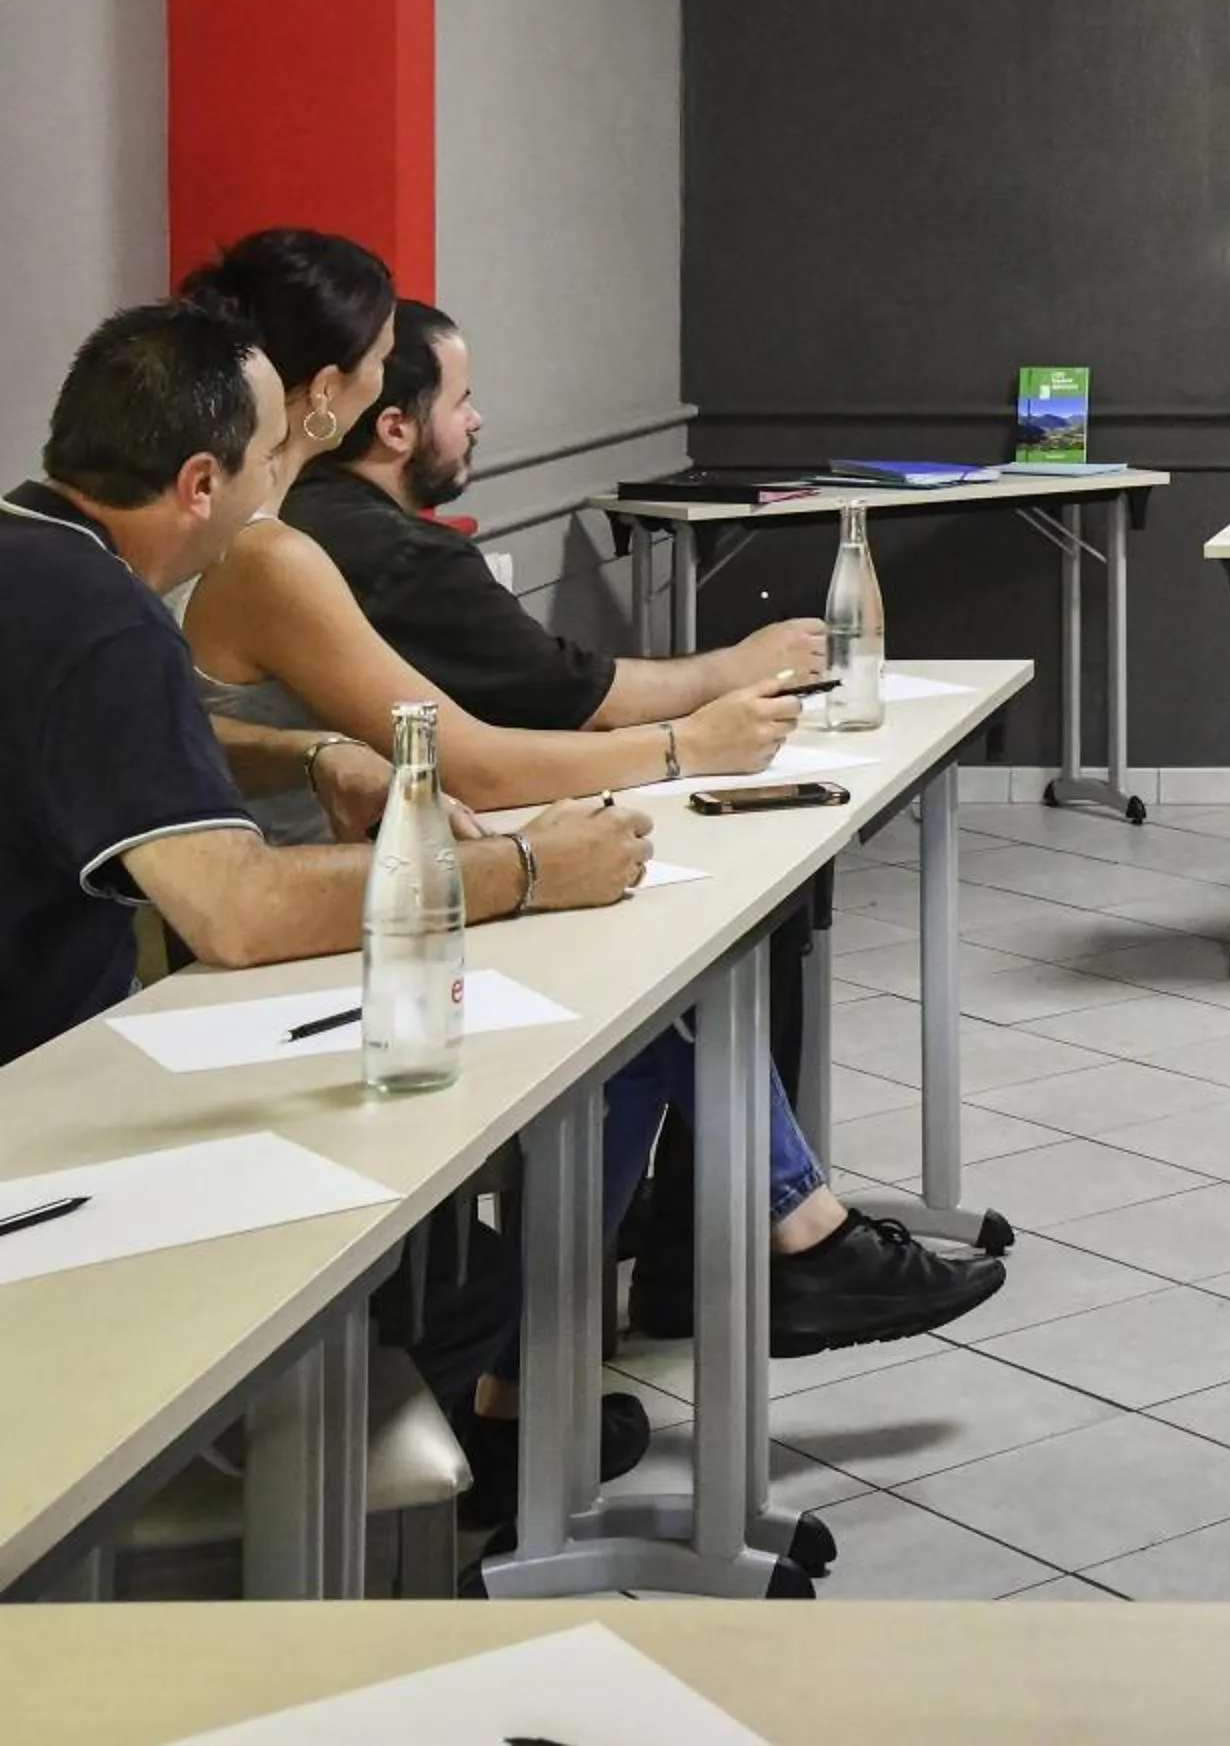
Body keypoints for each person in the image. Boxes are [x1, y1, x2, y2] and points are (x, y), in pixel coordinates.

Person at [274, 297, 1012, 1354]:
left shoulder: (317, 534)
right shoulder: (342, 550)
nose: (478, 420)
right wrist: (692, 739)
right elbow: (530, 714)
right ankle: (758, 1247)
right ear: (381, 420)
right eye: (463, 398)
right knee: (676, 976)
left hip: (404, 874)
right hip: (372, 915)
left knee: (680, 987)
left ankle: (622, 1310)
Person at [0, 301, 650, 1069]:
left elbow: (91, 742)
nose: (283, 478)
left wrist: (311, 756)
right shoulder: (107, 619)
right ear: (202, 482)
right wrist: (527, 869)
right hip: (42, 1082)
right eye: (272, 453)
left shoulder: (31, 555)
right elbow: (237, 913)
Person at [175, 231, 802, 820]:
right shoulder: (270, 554)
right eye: (382, 356)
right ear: (327, 390)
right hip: (321, 902)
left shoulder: (235, 519)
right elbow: (471, 766)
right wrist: (686, 744)